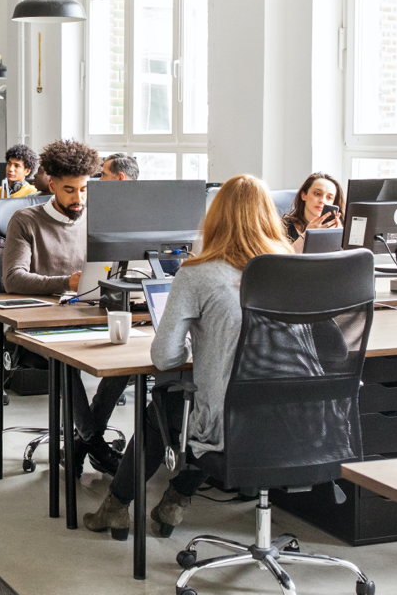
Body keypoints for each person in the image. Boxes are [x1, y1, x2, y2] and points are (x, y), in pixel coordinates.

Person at [84, 174, 294, 540]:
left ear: (213, 218)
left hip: (226, 424)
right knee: (209, 404)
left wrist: (197, 348)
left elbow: (164, 358)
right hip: (296, 419)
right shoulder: (298, 270)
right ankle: (174, 503)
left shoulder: (197, 273)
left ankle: (116, 507)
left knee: (165, 408)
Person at [1, 139, 125, 476]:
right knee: (64, 360)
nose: (78, 199)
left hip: (90, 313)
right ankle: (95, 443)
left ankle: (82, 441)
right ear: (52, 184)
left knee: (130, 358)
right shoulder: (25, 220)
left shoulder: (97, 219)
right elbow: (13, 279)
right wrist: (65, 282)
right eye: (70, 190)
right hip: (38, 325)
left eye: (84, 190)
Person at [0, 143, 40, 235]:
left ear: (27, 171)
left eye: (17, 166)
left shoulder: (33, 194)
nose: (10, 169)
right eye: (9, 164)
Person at [281, 172, 346, 254]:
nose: (322, 200)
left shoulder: (339, 228)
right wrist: (306, 235)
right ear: (304, 195)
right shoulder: (283, 227)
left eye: (329, 197)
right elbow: (282, 262)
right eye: (317, 194)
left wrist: (337, 238)